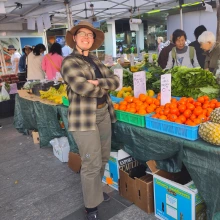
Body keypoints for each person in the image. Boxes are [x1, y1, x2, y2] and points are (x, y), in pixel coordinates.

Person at [61, 20, 119, 220]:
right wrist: (103, 85)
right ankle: (91, 205)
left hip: (103, 113)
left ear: (93, 40)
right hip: (83, 117)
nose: (86, 37)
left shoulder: (97, 60)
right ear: (75, 38)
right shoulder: (69, 62)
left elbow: (116, 81)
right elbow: (82, 88)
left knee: (103, 157)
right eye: (82, 34)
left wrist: (98, 82)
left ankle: (94, 192)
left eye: (90, 35)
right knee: (91, 162)